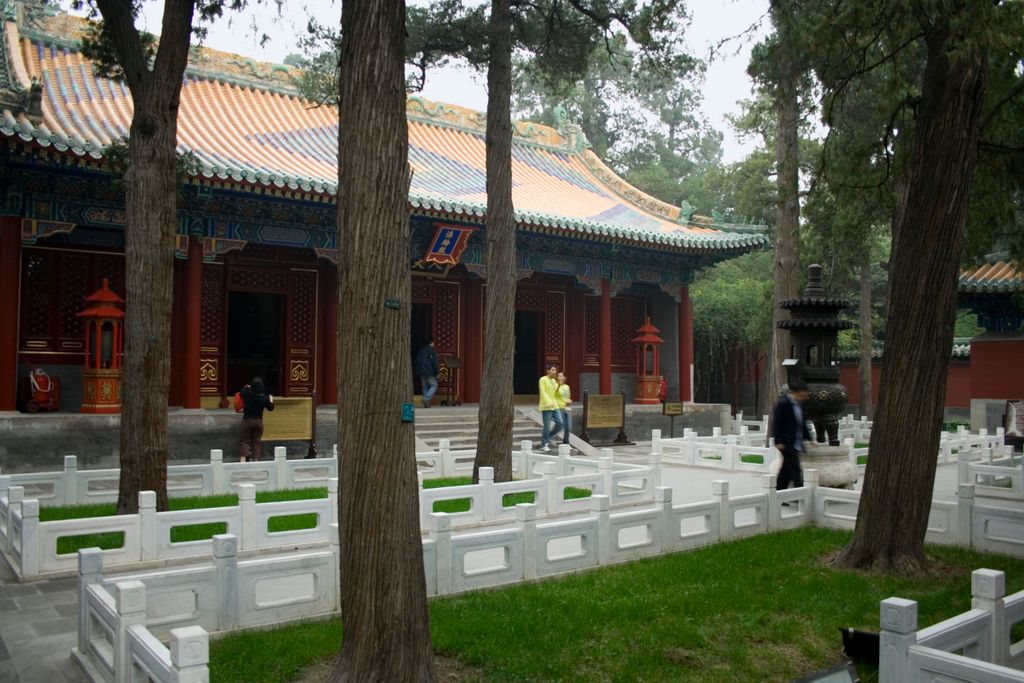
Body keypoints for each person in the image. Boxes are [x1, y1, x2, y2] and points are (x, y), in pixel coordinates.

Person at [772, 379, 810, 494]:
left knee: (786, 472)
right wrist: (778, 440)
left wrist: (809, 438)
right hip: (786, 442)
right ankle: (801, 495)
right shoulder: (784, 403)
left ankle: (778, 494)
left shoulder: (799, 405)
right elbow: (777, 422)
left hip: (795, 442)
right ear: (794, 393)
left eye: (804, 395)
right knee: (795, 470)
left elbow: (801, 423)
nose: (803, 397)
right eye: (801, 395)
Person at [239, 377, 275, 462]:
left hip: (247, 420)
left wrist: (247, 388)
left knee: (244, 441)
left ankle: (242, 461)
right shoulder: (265, 397)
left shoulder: (248, 394)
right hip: (259, 421)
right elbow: (271, 408)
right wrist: (271, 399)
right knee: (256, 442)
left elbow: (241, 392)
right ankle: (255, 461)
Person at [537, 364, 562, 452]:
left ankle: (548, 437)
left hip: (555, 405)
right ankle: (544, 444)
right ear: (548, 371)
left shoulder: (554, 381)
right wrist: (548, 402)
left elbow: (556, 394)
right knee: (546, 426)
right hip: (546, 406)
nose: (554, 372)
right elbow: (543, 392)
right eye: (552, 370)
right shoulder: (543, 379)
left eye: (555, 370)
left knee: (560, 423)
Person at [415, 338, 439, 408]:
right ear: (431, 343)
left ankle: (426, 404)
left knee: (425, 387)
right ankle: (426, 399)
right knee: (434, 385)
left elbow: (417, 361)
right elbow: (434, 363)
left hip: (421, 371)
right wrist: (437, 372)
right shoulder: (432, 351)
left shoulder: (421, 351)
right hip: (429, 371)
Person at [552, 371, 573, 448]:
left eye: (561, 376)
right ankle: (551, 436)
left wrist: (569, 401)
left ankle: (566, 442)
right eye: (558, 376)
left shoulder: (567, 387)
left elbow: (568, 397)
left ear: (565, 378)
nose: (559, 377)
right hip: (559, 408)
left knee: (569, 427)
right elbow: (555, 394)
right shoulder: (555, 385)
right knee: (561, 425)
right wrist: (558, 385)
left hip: (566, 408)